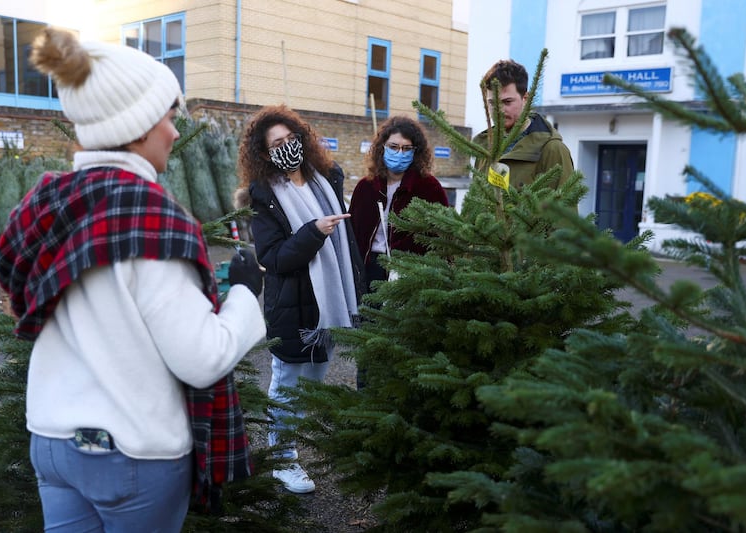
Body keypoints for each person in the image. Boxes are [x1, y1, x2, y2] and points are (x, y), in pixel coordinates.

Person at [0, 27, 266, 531]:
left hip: (52, 442)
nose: (173, 130)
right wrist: (247, 294)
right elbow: (202, 359)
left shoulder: (46, 204)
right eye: (168, 117)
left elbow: (20, 300)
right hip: (131, 451)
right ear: (139, 126)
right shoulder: (148, 216)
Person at [237, 104, 364, 494]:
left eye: (292, 139)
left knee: (315, 379)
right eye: (277, 143)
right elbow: (272, 258)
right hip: (293, 305)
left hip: (330, 300)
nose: (287, 147)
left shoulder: (328, 178)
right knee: (288, 385)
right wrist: (313, 232)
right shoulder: (264, 196)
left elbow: (347, 241)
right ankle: (282, 459)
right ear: (264, 152)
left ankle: (293, 448)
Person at [348, 115, 449, 290]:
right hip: (369, 269)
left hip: (410, 275)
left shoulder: (429, 188)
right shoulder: (365, 187)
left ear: (416, 152)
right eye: (393, 147)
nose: (399, 153)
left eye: (406, 148)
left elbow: (442, 237)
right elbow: (352, 235)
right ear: (382, 148)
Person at [474, 59, 574, 189]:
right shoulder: (484, 147)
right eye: (492, 103)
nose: (499, 111)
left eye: (507, 102)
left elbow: (564, 207)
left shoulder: (552, 150)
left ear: (525, 99)